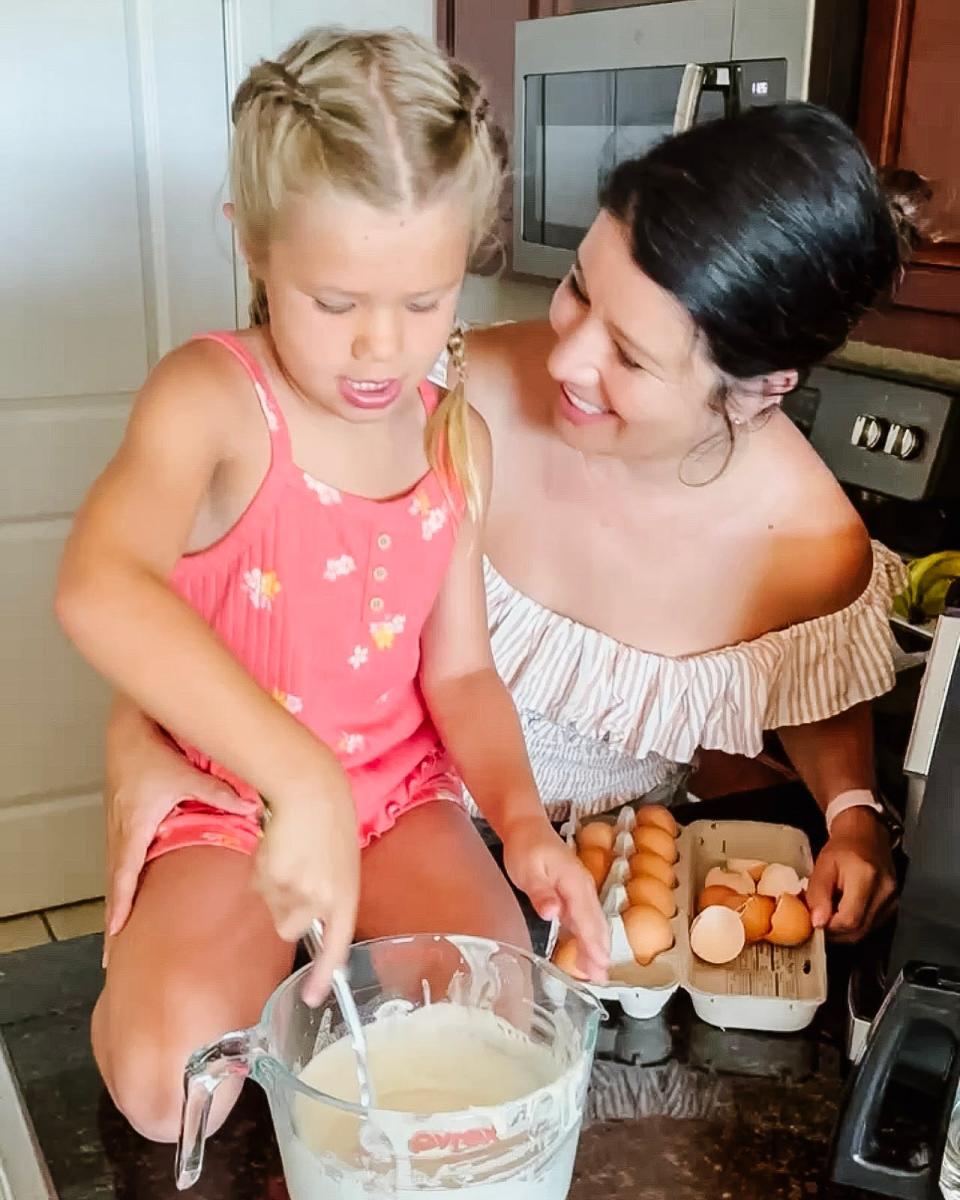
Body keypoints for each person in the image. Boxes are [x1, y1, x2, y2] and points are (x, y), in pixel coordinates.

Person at [110, 105, 909, 969]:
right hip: (334, 840)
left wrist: (853, 817)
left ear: (761, 389)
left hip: (584, 899)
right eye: (578, 286)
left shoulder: (810, 544)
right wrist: (134, 741)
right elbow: (221, 578)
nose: (567, 361)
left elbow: (806, 675)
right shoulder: (429, 387)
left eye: (632, 359)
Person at [55, 27, 609, 1144]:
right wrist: (296, 778)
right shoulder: (210, 398)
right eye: (335, 299)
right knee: (176, 1094)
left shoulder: (454, 437)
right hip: (228, 801)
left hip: (400, 800)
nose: (379, 348)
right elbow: (98, 587)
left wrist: (521, 818)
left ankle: (321, 988)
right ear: (253, 247)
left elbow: (459, 673)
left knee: (492, 1048)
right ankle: (252, 979)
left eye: (424, 301)